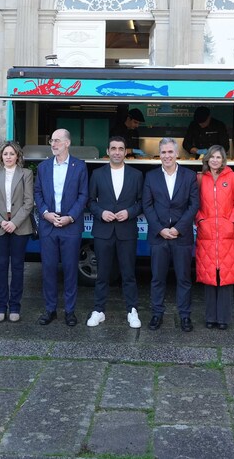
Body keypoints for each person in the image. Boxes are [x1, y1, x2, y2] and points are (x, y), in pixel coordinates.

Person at [86, 136, 144, 328]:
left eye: (120, 148)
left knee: (128, 274)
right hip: (103, 231)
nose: (117, 152)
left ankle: (132, 311)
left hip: (127, 231)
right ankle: (98, 310)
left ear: (126, 152)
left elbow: (142, 202)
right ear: (108, 151)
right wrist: (101, 213)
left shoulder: (136, 175)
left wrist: (129, 212)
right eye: (113, 148)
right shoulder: (97, 174)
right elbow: (90, 201)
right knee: (102, 274)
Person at [143, 137, 200, 332]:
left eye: (170, 152)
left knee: (183, 279)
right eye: (163, 152)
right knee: (157, 278)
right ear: (160, 154)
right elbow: (147, 205)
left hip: (181, 236)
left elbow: (194, 205)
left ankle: (185, 316)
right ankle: (157, 313)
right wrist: (160, 229)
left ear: (177, 154)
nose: (167, 156)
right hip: (158, 236)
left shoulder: (189, 176)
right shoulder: (151, 177)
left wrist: (178, 228)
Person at [33, 128, 89, 326]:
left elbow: (83, 195)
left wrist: (70, 217)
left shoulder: (79, 166)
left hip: (70, 226)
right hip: (48, 226)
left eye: (57, 140)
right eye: (52, 141)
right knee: (48, 269)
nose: (53, 144)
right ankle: (50, 310)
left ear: (67, 143)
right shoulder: (43, 167)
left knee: (70, 269)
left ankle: (69, 311)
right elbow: (37, 192)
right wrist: (45, 213)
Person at [0, 141, 34, 323]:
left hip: (20, 227)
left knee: (18, 267)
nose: (8, 157)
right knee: (1, 266)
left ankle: (14, 306)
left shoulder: (26, 174)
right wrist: (1, 221)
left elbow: (29, 202)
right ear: (1, 156)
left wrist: (14, 222)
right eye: (5, 154)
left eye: (12, 153)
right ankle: (0, 306)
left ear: (17, 156)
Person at [196, 145, 234, 330]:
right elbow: (195, 203)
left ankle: (223, 318)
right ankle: (210, 317)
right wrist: (200, 220)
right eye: (212, 157)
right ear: (207, 159)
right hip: (206, 233)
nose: (215, 160)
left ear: (223, 160)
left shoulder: (232, 177)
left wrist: (232, 222)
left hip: (227, 233)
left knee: (226, 276)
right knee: (209, 276)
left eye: (219, 157)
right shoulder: (200, 178)